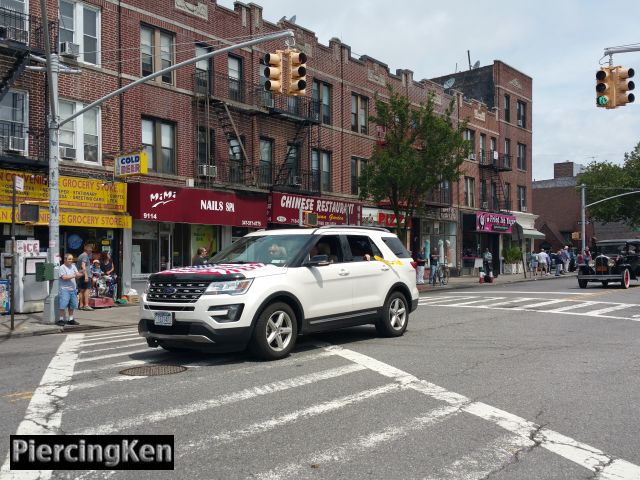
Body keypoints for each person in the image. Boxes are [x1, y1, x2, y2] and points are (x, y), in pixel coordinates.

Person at [58, 253, 83, 326]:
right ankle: (61, 319)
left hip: (73, 289)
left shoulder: (73, 266)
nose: (71, 261)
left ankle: (71, 319)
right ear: (65, 259)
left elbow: (77, 276)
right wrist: (75, 275)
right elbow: (64, 278)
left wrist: (81, 274)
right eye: (69, 259)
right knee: (63, 305)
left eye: (71, 259)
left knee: (72, 305)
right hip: (64, 289)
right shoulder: (62, 267)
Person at [76, 244, 93, 310]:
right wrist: (86, 275)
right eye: (90, 251)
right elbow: (83, 265)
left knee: (81, 290)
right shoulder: (85, 256)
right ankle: (86, 305)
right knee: (87, 290)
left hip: (80, 275)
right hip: (85, 275)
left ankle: (81, 305)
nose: (91, 252)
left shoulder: (80, 256)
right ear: (87, 250)